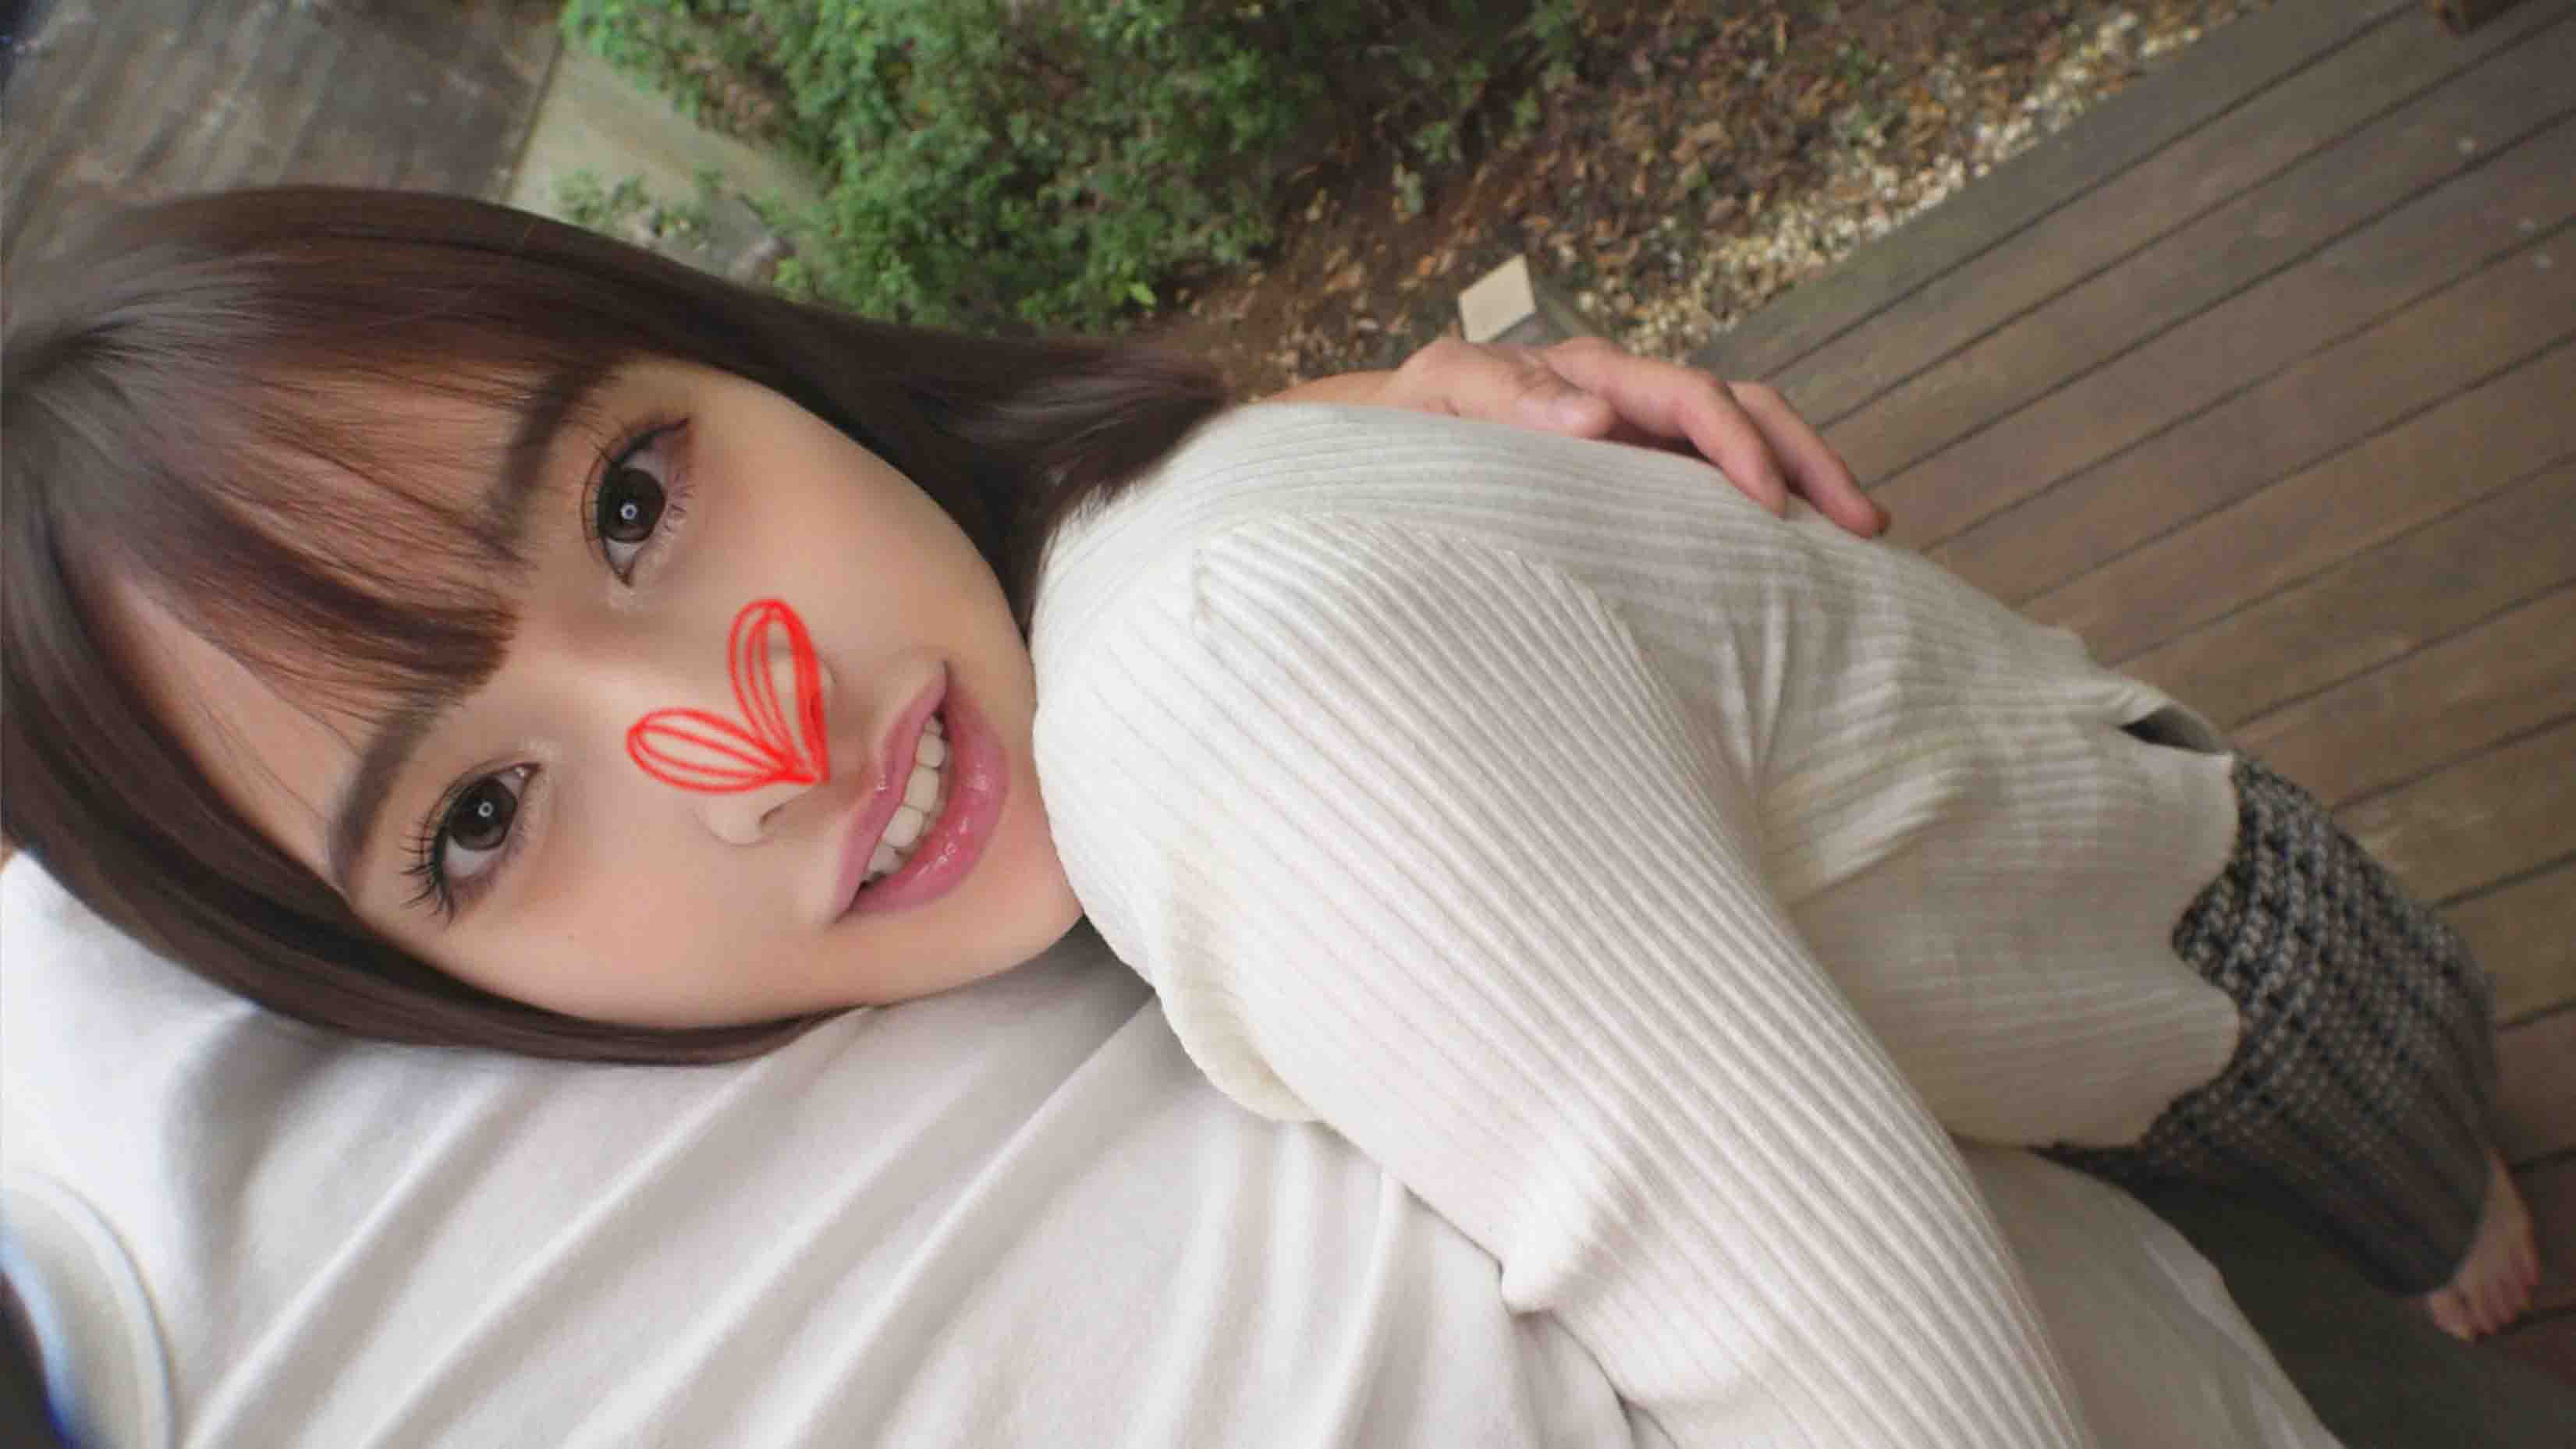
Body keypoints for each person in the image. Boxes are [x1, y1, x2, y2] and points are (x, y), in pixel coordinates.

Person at [0, 186, 2530, 1446]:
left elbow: (1902, 1383)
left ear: (730, 351)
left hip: (2185, 966)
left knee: (2446, 1190)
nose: (761, 751)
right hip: (1992, 1096)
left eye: (635, 500)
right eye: (477, 821)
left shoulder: (1214, 691)